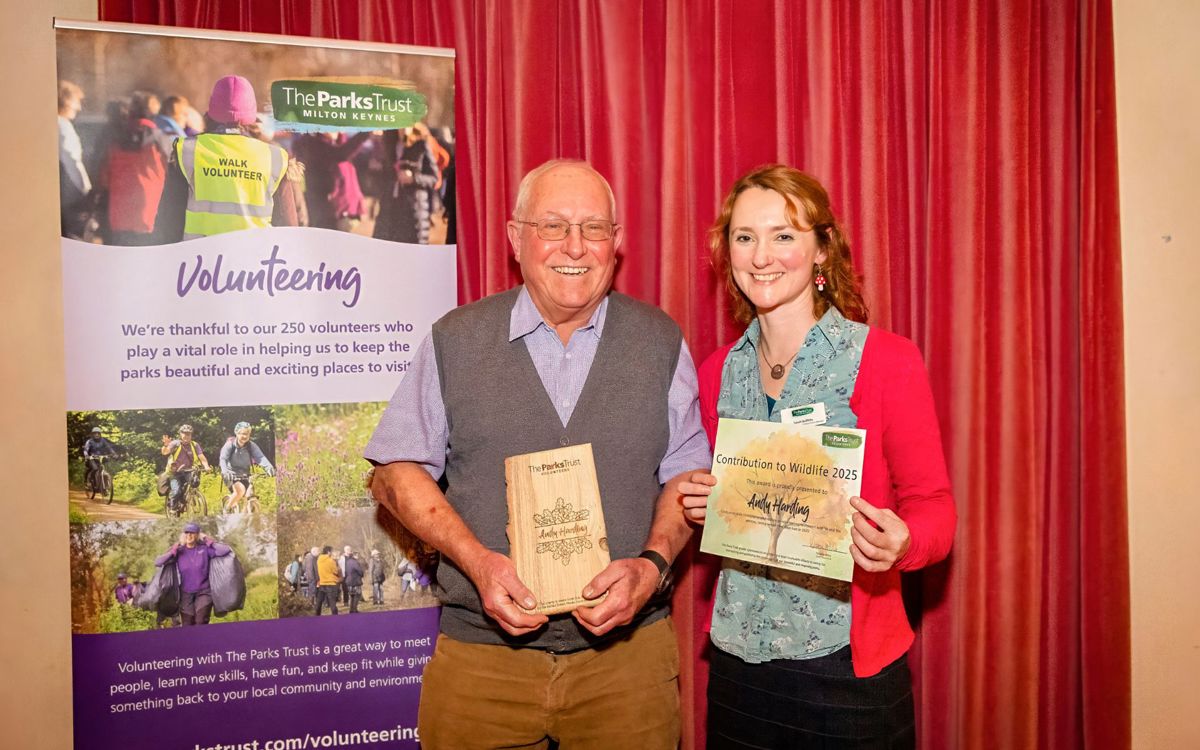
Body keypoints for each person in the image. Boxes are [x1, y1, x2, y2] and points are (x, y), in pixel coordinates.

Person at [364, 158, 711, 748]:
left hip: (628, 664)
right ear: (515, 238)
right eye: (552, 225)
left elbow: (687, 477)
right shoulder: (455, 339)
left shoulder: (660, 340)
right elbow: (395, 474)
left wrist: (650, 567)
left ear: (617, 243)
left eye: (594, 228)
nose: (575, 246)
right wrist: (477, 562)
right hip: (482, 660)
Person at [677, 165, 957, 748]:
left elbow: (934, 509)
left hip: (848, 674)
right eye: (745, 236)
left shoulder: (886, 360)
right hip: (738, 668)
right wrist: (705, 502)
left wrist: (903, 543)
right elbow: (723, 504)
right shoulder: (715, 374)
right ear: (725, 250)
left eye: (784, 235)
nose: (762, 256)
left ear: (822, 249)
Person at [153, 75, 298, 242]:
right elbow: (289, 231)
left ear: (212, 111)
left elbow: (168, 223)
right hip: (254, 263)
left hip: (198, 263)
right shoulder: (275, 158)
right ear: (252, 114)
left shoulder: (187, 151)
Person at [95, 92, 173, 246]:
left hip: (119, 217)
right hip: (151, 215)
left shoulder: (115, 139)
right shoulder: (161, 141)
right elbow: (173, 174)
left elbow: (104, 178)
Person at [154, 522, 233, 626]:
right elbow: (158, 562)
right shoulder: (179, 550)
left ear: (197, 535)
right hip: (186, 594)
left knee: (200, 622)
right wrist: (172, 552)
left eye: (192, 533)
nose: (189, 535)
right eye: (187, 533)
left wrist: (210, 542)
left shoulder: (204, 549)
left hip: (204, 592)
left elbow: (226, 550)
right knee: (187, 624)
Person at [373, 125, 439, 244]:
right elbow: (383, 176)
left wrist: (413, 178)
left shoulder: (421, 144)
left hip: (413, 210)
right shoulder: (389, 143)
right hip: (389, 209)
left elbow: (434, 178)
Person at [58, 80, 93, 239]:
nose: (78, 107)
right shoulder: (62, 126)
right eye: (76, 101)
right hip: (70, 196)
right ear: (64, 101)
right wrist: (86, 189)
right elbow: (72, 160)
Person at [218, 421, 275, 512]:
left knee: (249, 495)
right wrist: (225, 472)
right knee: (240, 490)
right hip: (231, 475)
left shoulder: (251, 445)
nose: (245, 436)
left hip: (245, 474)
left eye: (247, 434)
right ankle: (226, 510)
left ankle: (245, 519)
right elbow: (223, 459)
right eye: (243, 434)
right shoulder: (230, 445)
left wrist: (269, 467)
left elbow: (260, 457)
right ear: (236, 433)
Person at [161, 424, 211, 514]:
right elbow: (165, 452)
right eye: (184, 433)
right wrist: (165, 445)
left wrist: (206, 466)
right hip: (175, 472)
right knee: (176, 490)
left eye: (188, 434)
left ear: (191, 435)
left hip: (189, 471)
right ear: (180, 434)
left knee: (194, 483)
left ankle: (189, 499)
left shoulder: (195, 445)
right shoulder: (175, 444)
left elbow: (201, 457)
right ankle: (172, 506)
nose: (186, 436)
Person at [314, 545, 341, 616]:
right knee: (332, 604)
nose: (332, 553)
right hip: (331, 584)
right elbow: (336, 571)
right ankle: (335, 618)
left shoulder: (319, 560)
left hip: (322, 583)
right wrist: (337, 565)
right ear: (328, 552)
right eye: (331, 551)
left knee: (319, 603)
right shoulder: (331, 560)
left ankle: (316, 617)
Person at [343, 549, 365, 613]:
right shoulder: (355, 562)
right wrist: (362, 574)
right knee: (357, 595)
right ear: (354, 555)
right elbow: (360, 571)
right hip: (355, 581)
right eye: (357, 555)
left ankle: (351, 610)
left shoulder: (348, 562)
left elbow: (346, 571)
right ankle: (355, 609)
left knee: (352, 596)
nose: (358, 556)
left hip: (349, 581)